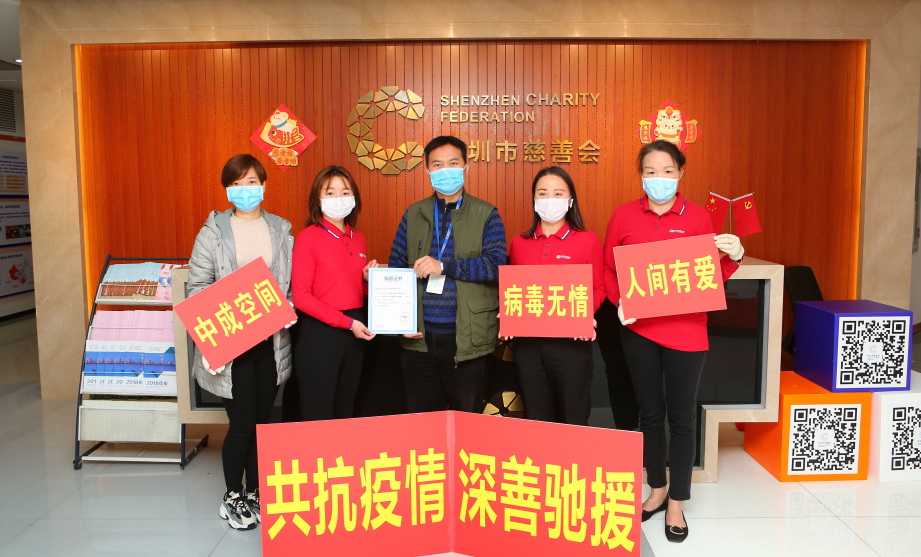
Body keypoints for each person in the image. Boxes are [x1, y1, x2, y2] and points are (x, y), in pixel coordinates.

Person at [603, 140, 744, 543]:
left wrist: (734, 256)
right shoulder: (623, 215)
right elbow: (610, 268)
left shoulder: (698, 217)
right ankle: (657, 489)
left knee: (681, 418)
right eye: (650, 171)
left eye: (667, 171)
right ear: (641, 175)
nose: (659, 178)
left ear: (680, 173)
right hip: (639, 332)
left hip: (687, 332)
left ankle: (677, 501)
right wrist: (619, 301)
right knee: (650, 415)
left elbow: (708, 275)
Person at [188, 154, 296, 531]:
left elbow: (289, 284)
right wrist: (213, 336)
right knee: (242, 424)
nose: (245, 189)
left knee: (262, 424)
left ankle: (255, 492)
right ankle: (232, 495)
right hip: (231, 346)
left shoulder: (281, 229)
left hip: (270, 344)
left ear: (264, 185)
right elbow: (197, 287)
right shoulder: (213, 232)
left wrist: (288, 307)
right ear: (227, 188)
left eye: (252, 182)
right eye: (237, 183)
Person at [388, 135, 507, 413]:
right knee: (421, 421)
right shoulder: (414, 213)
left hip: (466, 339)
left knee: (468, 420)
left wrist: (444, 266)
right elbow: (396, 266)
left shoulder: (486, 214)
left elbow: (496, 266)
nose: (445, 171)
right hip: (419, 338)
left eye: (453, 163)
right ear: (427, 170)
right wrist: (398, 320)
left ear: (466, 166)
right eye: (437, 165)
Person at [506, 166, 604, 425]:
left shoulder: (588, 240)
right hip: (529, 346)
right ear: (534, 199)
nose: (550, 199)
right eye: (543, 193)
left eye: (558, 193)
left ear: (570, 200)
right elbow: (514, 289)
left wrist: (585, 313)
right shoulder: (519, 243)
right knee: (537, 417)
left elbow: (598, 288)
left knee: (574, 416)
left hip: (571, 343)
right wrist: (507, 311)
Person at [291, 166, 378, 422]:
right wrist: (347, 323)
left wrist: (367, 281)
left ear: (354, 198)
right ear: (318, 199)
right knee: (318, 413)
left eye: (345, 192)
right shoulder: (307, 238)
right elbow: (302, 297)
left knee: (345, 410)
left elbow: (352, 289)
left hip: (355, 331)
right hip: (320, 333)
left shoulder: (358, 238)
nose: (338, 198)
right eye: (330, 193)